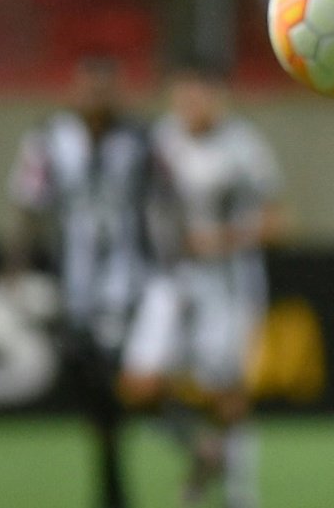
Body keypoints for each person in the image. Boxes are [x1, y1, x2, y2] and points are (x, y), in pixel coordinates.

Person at [120, 67, 286, 508]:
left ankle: (239, 494)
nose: (191, 106)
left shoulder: (243, 147)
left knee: (228, 394)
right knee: (140, 386)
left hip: (228, 282)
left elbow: (276, 222)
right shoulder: (159, 142)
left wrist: (225, 240)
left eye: (200, 97)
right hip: (170, 279)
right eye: (183, 97)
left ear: (218, 98)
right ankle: (202, 453)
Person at [4, 56, 162, 508]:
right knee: (92, 389)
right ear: (75, 90)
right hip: (76, 286)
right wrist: (16, 267)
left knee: (127, 384)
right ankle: (113, 472)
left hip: (130, 283)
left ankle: (118, 479)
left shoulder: (139, 139)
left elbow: (161, 203)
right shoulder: (49, 138)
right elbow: (29, 204)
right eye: (88, 87)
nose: (96, 96)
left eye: (104, 87)